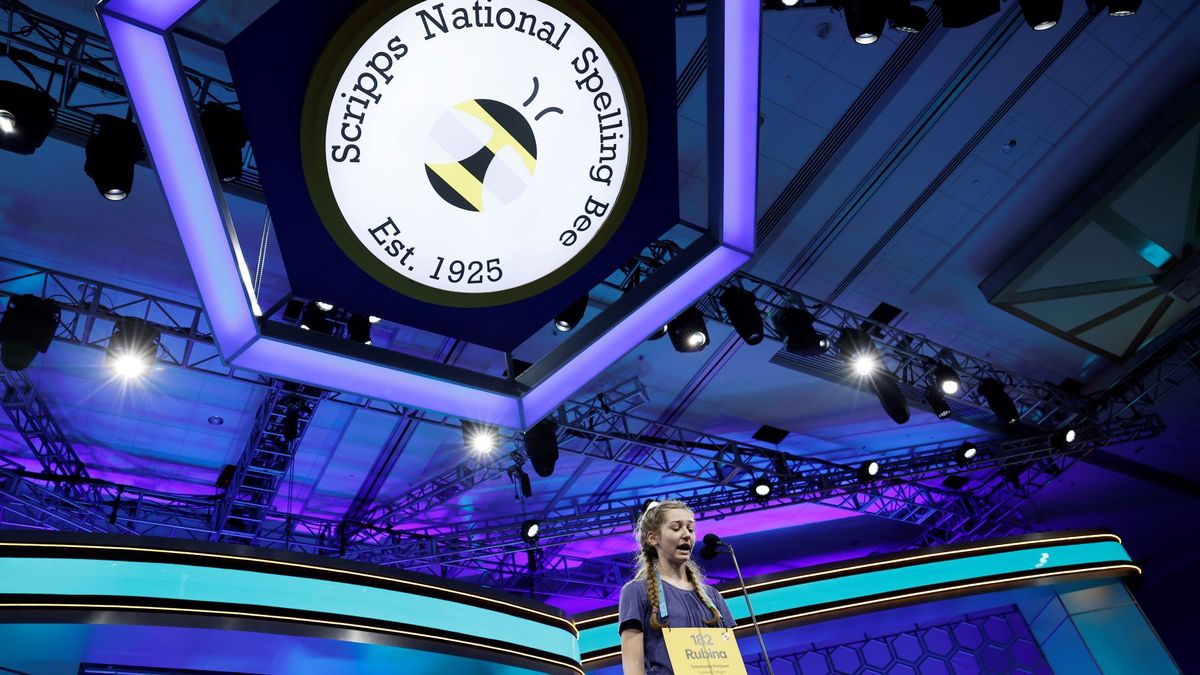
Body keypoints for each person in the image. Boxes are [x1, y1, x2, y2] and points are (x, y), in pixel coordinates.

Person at [618, 500, 737, 674]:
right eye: (676, 528)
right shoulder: (636, 591)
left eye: (690, 529)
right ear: (653, 538)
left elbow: (731, 660)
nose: (687, 534)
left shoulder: (712, 595)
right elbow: (633, 667)